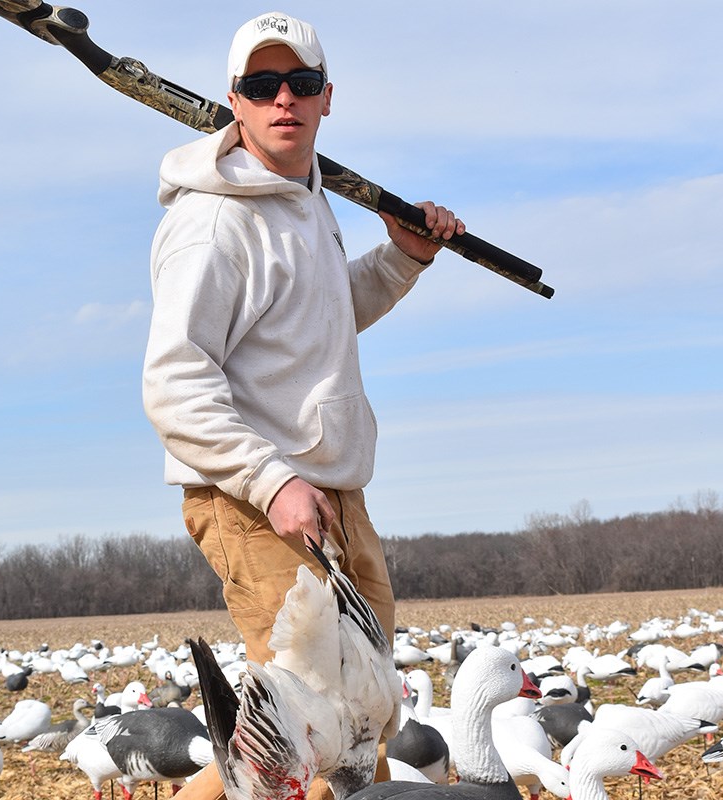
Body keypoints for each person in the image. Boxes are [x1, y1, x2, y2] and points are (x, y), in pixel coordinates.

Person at [141, 11, 464, 800]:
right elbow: (174, 381)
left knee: (362, 720)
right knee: (313, 736)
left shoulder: (305, 200)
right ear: (234, 102)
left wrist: (404, 257)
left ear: (327, 99)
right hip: (258, 499)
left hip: (330, 491)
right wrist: (271, 481)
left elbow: (319, 314)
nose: (283, 98)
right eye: (262, 85)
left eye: (301, 83)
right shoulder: (214, 222)